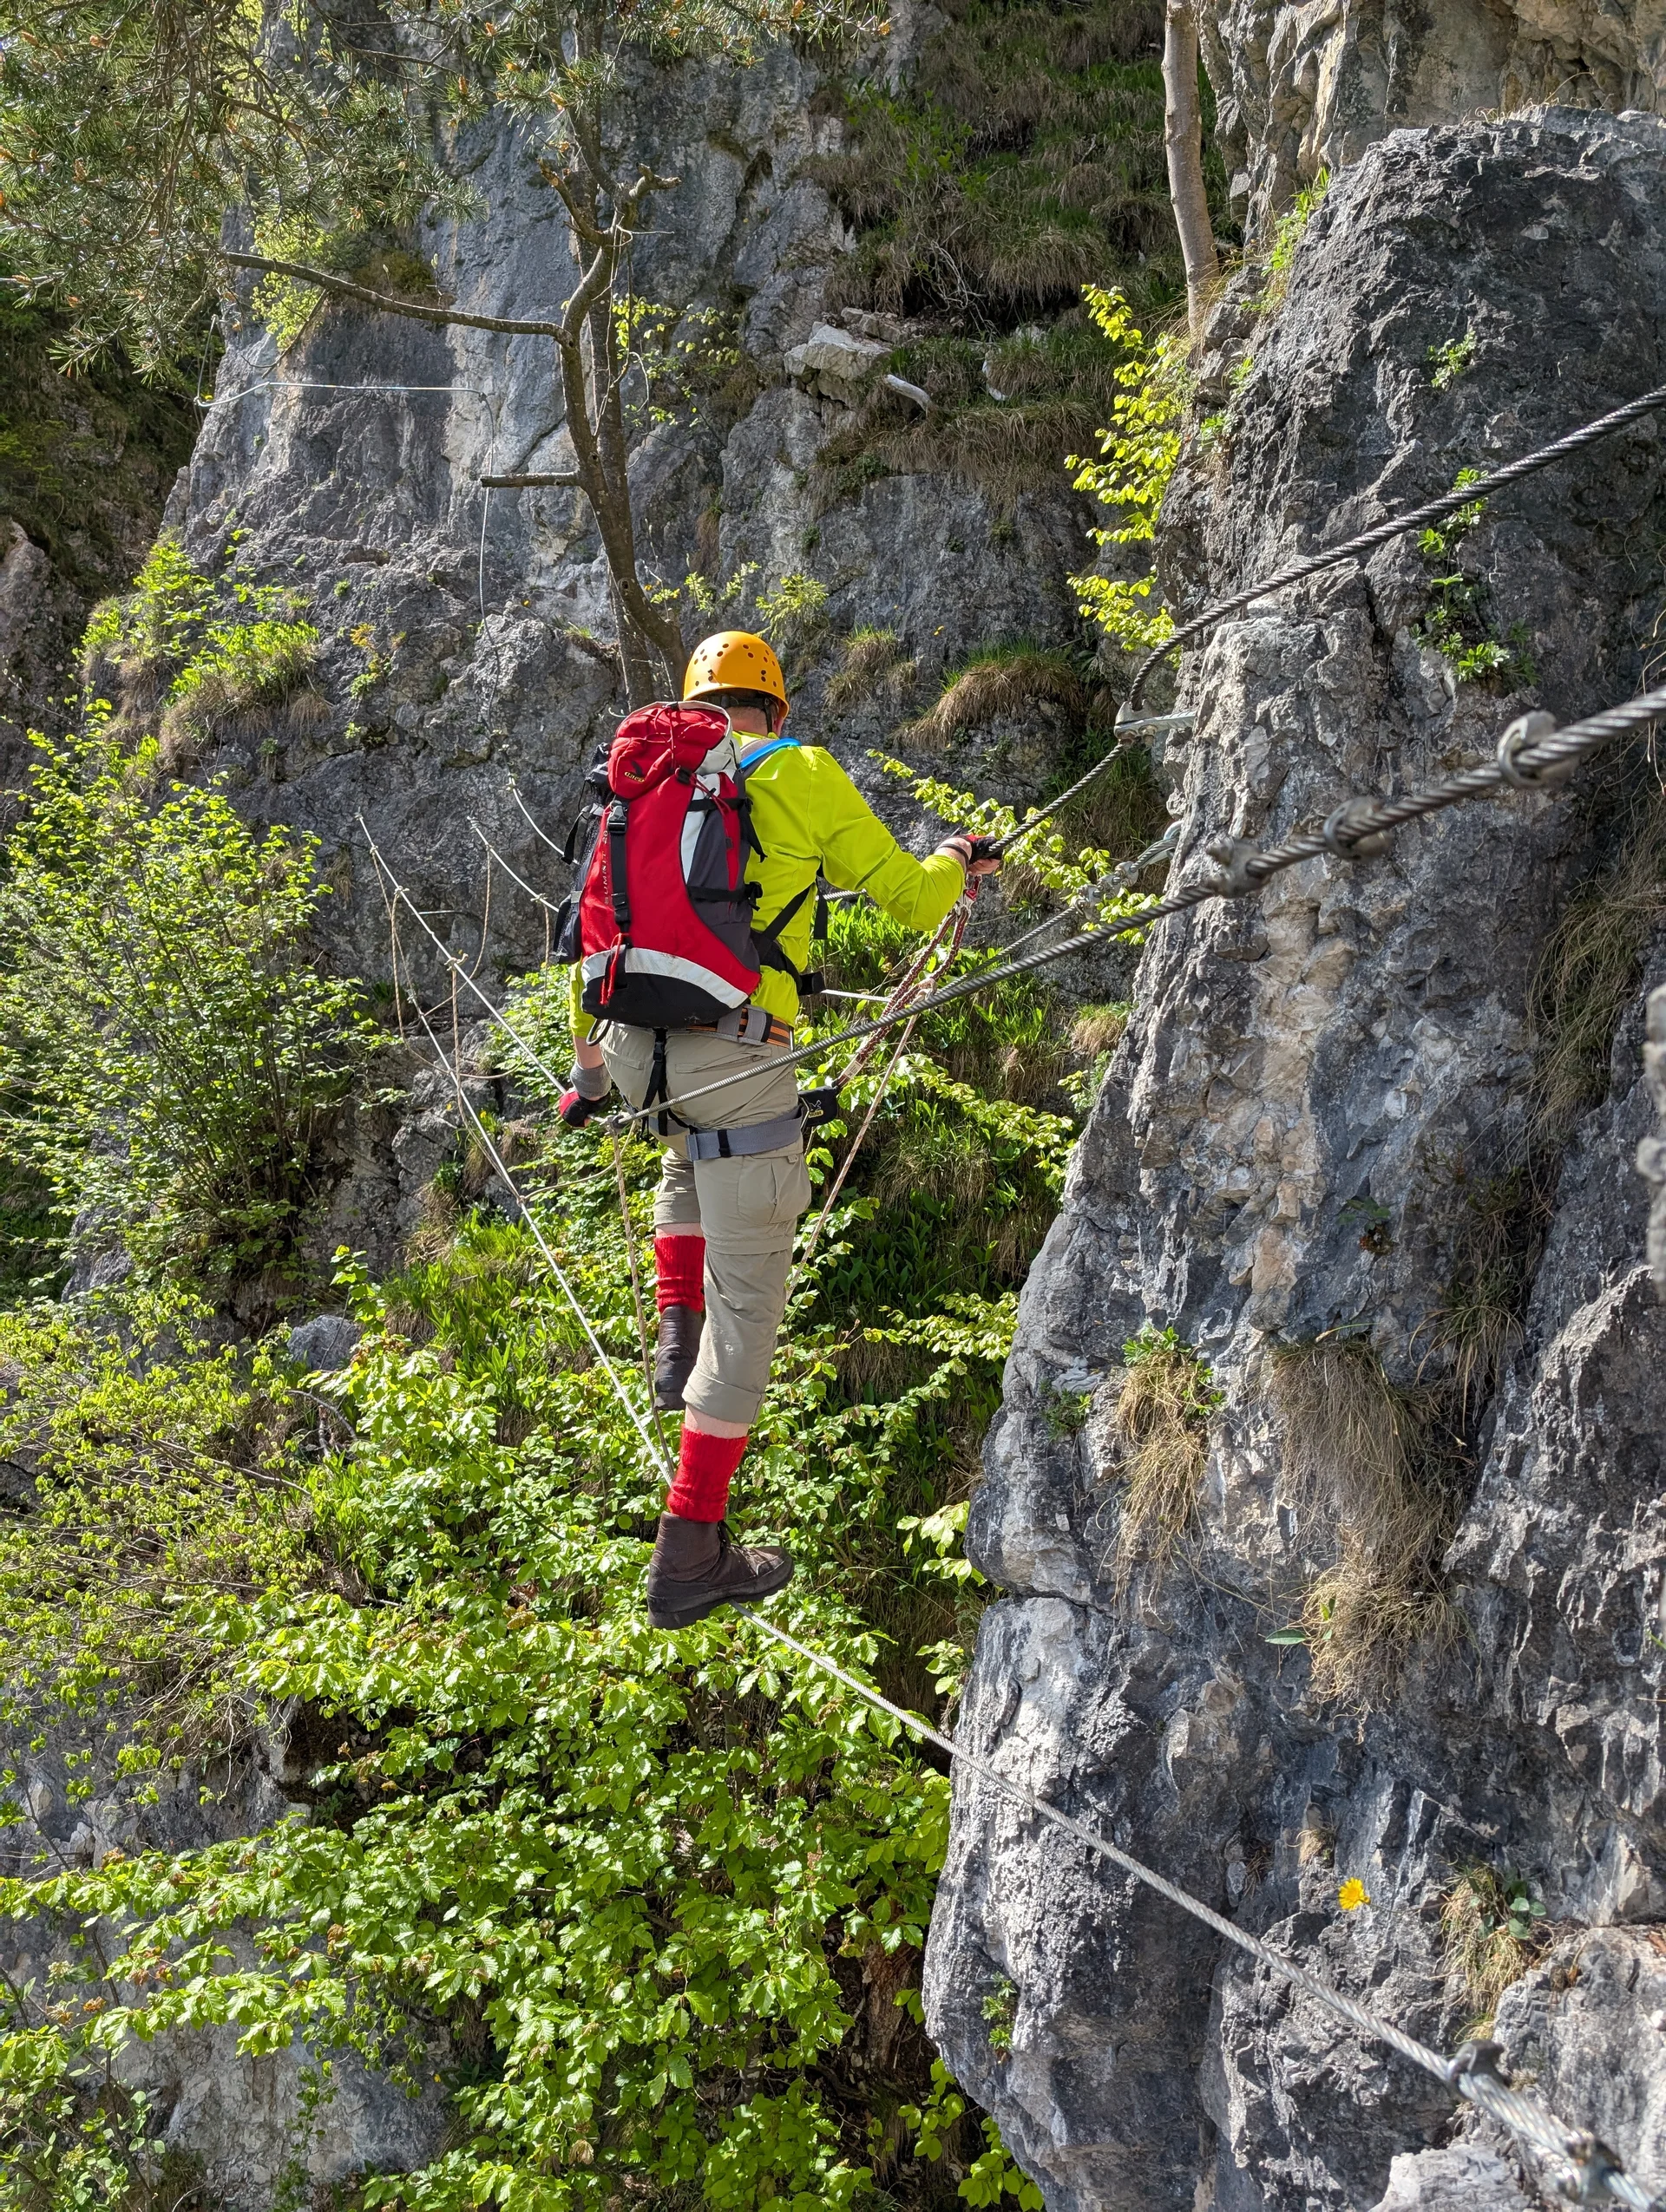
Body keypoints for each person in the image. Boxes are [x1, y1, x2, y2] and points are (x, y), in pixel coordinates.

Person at [560, 630, 1000, 1630]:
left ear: (695, 706)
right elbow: (910, 900)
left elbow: (592, 926)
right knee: (749, 1308)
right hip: (738, 1052)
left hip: (634, 1048)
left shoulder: (644, 778)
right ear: (777, 709)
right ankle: (691, 1552)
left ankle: (676, 1344)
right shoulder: (797, 770)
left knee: (683, 1148)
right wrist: (954, 858)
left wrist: (587, 1070)